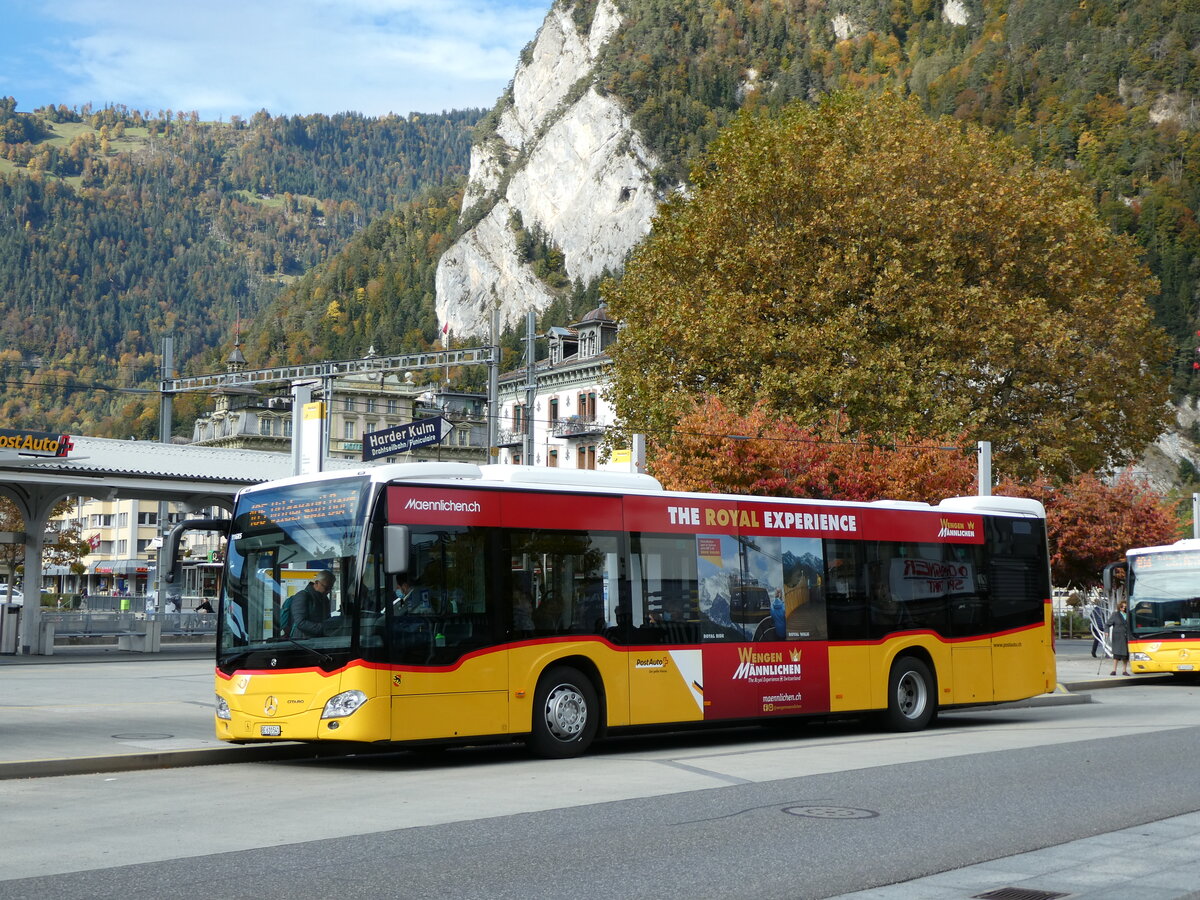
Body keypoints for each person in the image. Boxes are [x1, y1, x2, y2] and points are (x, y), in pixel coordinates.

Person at [283, 570, 334, 638]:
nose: (328, 591)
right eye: (326, 587)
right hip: (302, 642)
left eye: (331, 588)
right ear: (316, 583)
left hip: (319, 641)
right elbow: (300, 623)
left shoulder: (325, 599)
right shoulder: (302, 596)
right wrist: (324, 629)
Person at [1108, 599, 1131, 676]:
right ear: (1119, 607)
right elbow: (1107, 624)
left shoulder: (1129, 614)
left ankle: (1124, 671)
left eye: (1125, 607)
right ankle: (1114, 670)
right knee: (1116, 654)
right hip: (1117, 637)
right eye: (1122, 607)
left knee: (1125, 655)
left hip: (1126, 636)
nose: (1124, 608)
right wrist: (1106, 631)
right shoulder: (1115, 614)